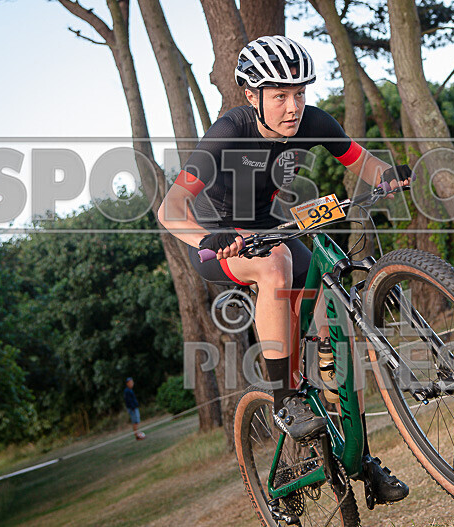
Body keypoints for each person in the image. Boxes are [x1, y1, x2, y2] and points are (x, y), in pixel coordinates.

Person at [157, 35, 413, 504]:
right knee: (275, 270)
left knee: (330, 320)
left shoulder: (312, 121)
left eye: (299, 93)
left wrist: (388, 176)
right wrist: (205, 238)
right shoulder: (229, 133)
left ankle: (357, 456)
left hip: (270, 226)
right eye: (279, 96)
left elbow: (363, 161)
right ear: (252, 96)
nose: (293, 107)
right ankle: (284, 403)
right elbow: (170, 207)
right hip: (218, 236)